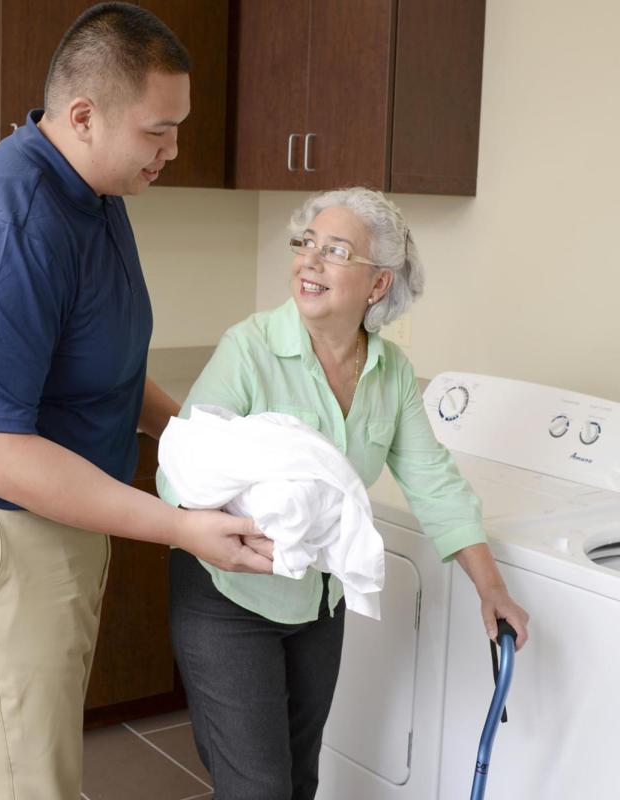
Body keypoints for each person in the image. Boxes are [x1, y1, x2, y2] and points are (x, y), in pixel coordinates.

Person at [0, 4, 272, 799]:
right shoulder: (10, 228)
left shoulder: (95, 196)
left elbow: (101, 368)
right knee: (22, 783)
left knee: (43, 762)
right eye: (157, 132)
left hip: (57, 524)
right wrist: (180, 529)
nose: (173, 150)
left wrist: (198, 436)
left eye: (180, 128)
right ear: (83, 116)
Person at [156, 187, 530, 800]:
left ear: (377, 285)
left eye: (335, 250)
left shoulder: (391, 372)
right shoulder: (249, 348)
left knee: (301, 778)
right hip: (227, 596)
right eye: (305, 244)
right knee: (259, 788)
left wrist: (491, 589)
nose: (309, 260)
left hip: (315, 602)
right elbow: (181, 468)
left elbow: (434, 481)